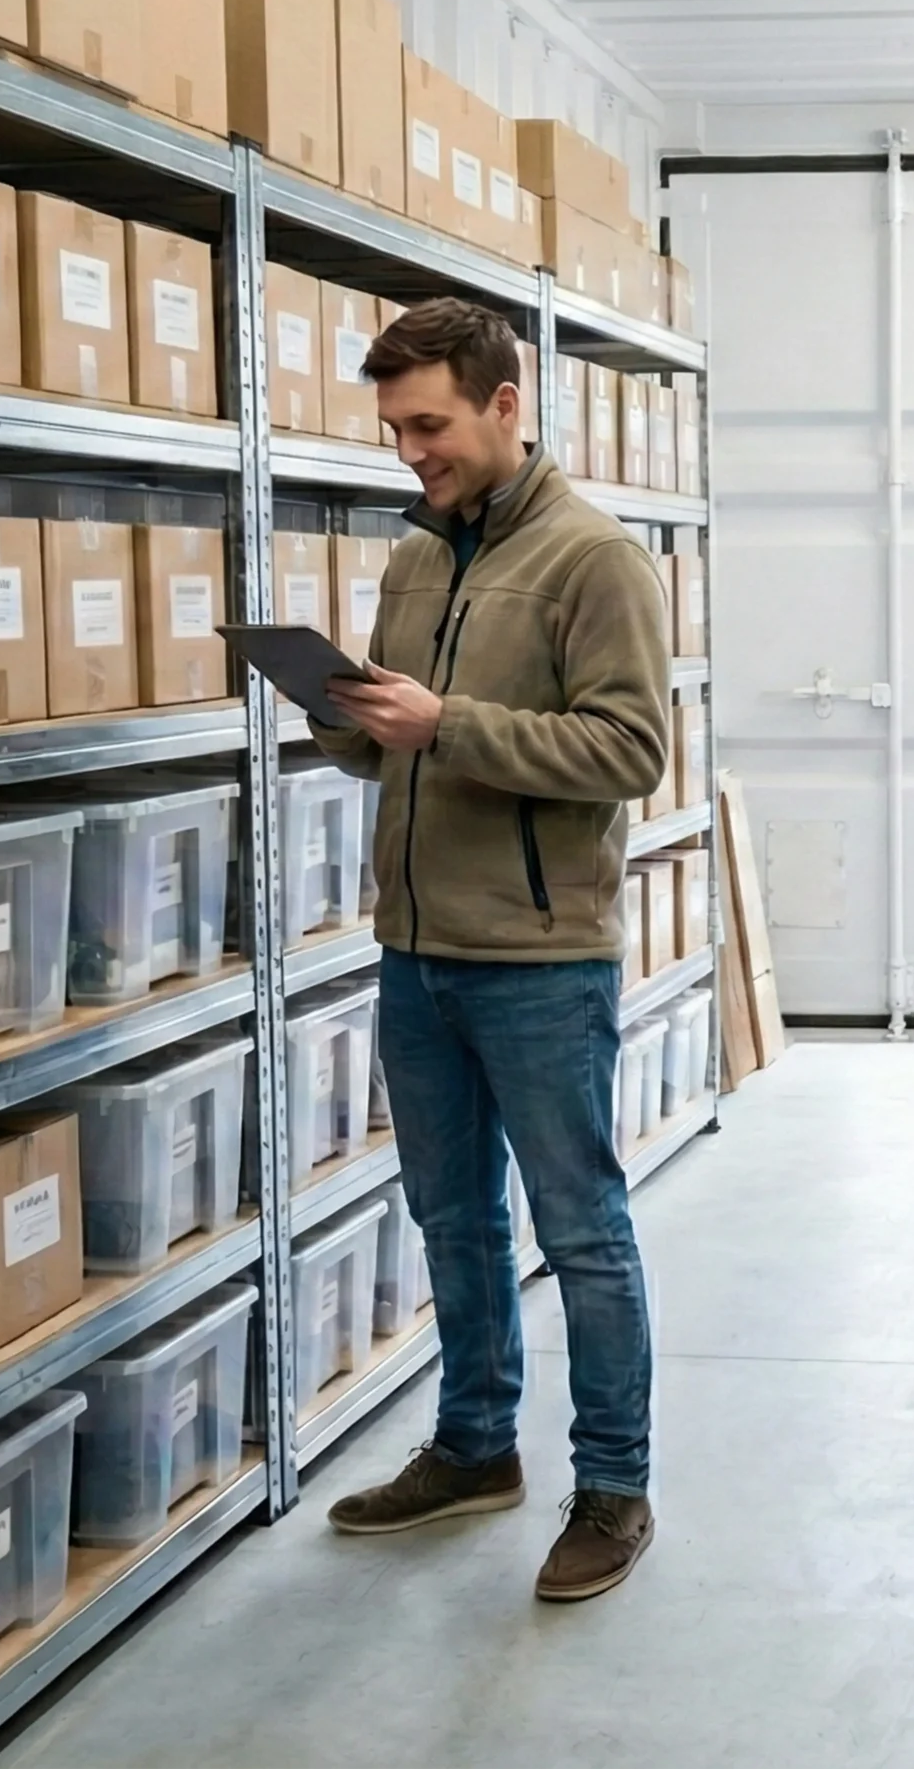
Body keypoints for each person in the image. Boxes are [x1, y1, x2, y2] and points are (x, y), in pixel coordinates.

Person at [309, 298, 672, 1604]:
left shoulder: (594, 561)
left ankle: (615, 1486)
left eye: (431, 425)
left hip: (537, 961)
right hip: (416, 950)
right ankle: (474, 1448)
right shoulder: (415, 559)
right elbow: (397, 734)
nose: (412, 452)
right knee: (452, 1217)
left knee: (581, 1231)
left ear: (505, 404)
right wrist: (347, 715)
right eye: (397, 430)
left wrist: (446, 724)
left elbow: (631, 751)